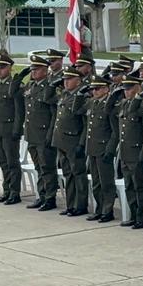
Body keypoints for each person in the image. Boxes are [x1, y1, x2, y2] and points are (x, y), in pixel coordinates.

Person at [22, 54, 59, 210]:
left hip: (44, 134)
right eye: (32, 70)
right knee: (38, 167)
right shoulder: (31, 86)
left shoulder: (49, 88)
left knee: (47, 167)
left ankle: (50, 197)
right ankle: (41, 195)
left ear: (45, 70)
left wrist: (50, 135)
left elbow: (53, 115)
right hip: (32, 133)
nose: (33, 72)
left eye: (36, 69)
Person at [51, 67, 89, 218]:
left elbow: (85, 123)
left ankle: (80, 205)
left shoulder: (82, 97)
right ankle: (70, 204)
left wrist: (81, 143)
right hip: (62, 140)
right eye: (64, 79)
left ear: (78, 81)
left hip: (74, 141)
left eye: (69, 79)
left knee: (78, 174)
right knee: (68, 174)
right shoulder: (65, 95)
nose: (65, 82)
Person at [0, 53, 25, 205]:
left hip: (9, 129)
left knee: (12, 162)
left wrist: (17, 129)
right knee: (2, 162)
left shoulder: (15, 85)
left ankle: (15, 192)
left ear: (9, 68)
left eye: (2, 68)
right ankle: (7, 190)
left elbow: (19, 110)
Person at [81, 75, 119, 223]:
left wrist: (110, 150)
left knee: (106, 182)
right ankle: (99, 208)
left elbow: (115, 131)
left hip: (103, 148)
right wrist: (80, 94)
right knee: (96, 182)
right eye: (92, 89)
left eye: (97, 89)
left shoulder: (109, 106)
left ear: (106, 89)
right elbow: (78, 109)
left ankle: (107, 210)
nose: (94, 92)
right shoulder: (92, 103)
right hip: (92, 148)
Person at [115, 73, 143, 229]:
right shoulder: (124, 104)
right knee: (129, 186)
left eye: (130, 88)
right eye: (125, 88)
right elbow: (110, 109)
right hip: (125, 152)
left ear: (138, 88)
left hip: (136, 153)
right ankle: (134, 214)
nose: (126, 91)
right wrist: (113, 94)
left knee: (139, 187)